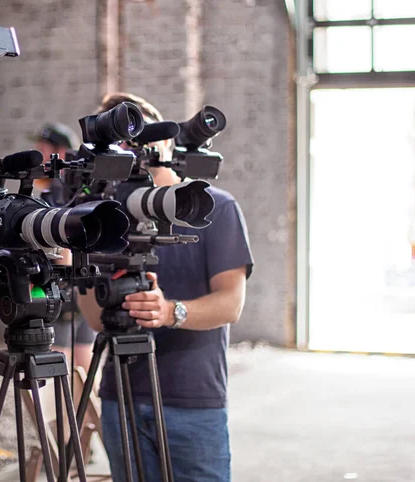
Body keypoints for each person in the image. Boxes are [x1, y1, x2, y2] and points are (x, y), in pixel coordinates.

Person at [78, 93, 254, 482]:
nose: (135, 149)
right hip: (120, 395)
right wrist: (76, 256)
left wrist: (169, 311)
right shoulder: (105, 218)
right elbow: (95, 320)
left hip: (192, 399)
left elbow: (231, 303)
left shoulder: (215, 207)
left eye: (140, 133)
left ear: (166, 142)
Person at [30, 123, 97, 371]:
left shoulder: (60, 189)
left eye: (42, 149)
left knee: (60, 364)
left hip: (63, 285)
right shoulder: (78, 188)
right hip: (84, 282)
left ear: (59, 153)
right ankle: (83, 410)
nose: (37, 155)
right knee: (83, 364)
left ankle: (62, 411)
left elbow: (65, 240)